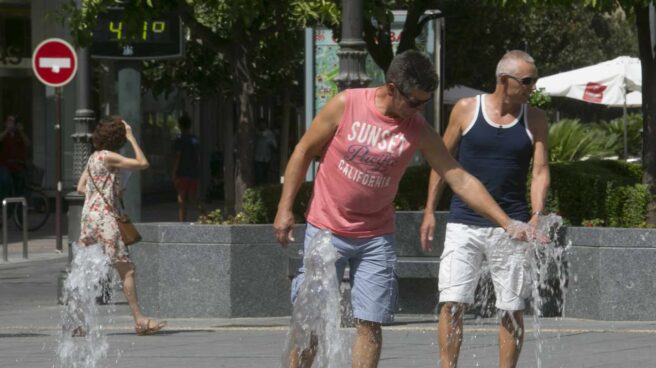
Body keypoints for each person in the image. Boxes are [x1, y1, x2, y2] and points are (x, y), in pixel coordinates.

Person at [274, 50, 532, 368]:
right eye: (414, 102)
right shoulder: (347, 104)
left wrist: (506, 223)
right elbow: (303, 150)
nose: (418, 110)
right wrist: (285, 208)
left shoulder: (418, 128)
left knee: (370, 325)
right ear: (392, 88)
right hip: (326, 229)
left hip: (376, 238)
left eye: (424, 103)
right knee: (310, 324)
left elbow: (459, 177)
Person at [419, 50, 550, 368]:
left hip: (514, 226)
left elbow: (540, 171)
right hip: (464, 223)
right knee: (452, 302)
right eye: (528, 81)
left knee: (512, 306)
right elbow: (441, 162)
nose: (533, 87)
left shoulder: (535, 119)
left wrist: (536, 214)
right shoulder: (466, 110)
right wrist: (429, 211)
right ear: (505, 80)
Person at [76, 116, 166, 336]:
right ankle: (140, 321)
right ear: (117, 138)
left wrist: (106, 190)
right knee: (127, 270)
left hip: (89, 218)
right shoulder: (109, 156)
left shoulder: (93, 158)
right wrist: (132, 137)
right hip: (106, 219)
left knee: (87, 270)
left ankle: (80, 322)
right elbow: (143, 163)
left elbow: (80, 188)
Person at [172, 114, 201, 222]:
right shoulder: (195, 140)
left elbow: (177, 157)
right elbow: (198, 157)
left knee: (181, 199)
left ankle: (181, 221)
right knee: (193, 198)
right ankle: (204, 214)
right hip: (193, 172)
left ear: (180, 125)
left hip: (182, 172)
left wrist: (174, 172)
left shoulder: (179, 140)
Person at [0, 114, 30, 198]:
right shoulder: (4, 135)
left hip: (17, 166)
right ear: (5, 123)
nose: (12, 123)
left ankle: (18, 205)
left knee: (21, 184)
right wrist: (7, 130)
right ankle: (5, 201)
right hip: (5, 165)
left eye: (13, 121)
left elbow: (27, 143)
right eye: (10, 121)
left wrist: (21, 131)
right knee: (5, 180)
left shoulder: (19, 135)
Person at [254, 119, 277, 185]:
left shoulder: (270, 134)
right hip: (258, 158)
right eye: (260, 124)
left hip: (267, 158)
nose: (262, 126)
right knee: (259, 176)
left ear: (266, 125)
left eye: (263, 124)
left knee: (265, 176)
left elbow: (275, 145)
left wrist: (269, 141)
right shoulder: (256, 133)